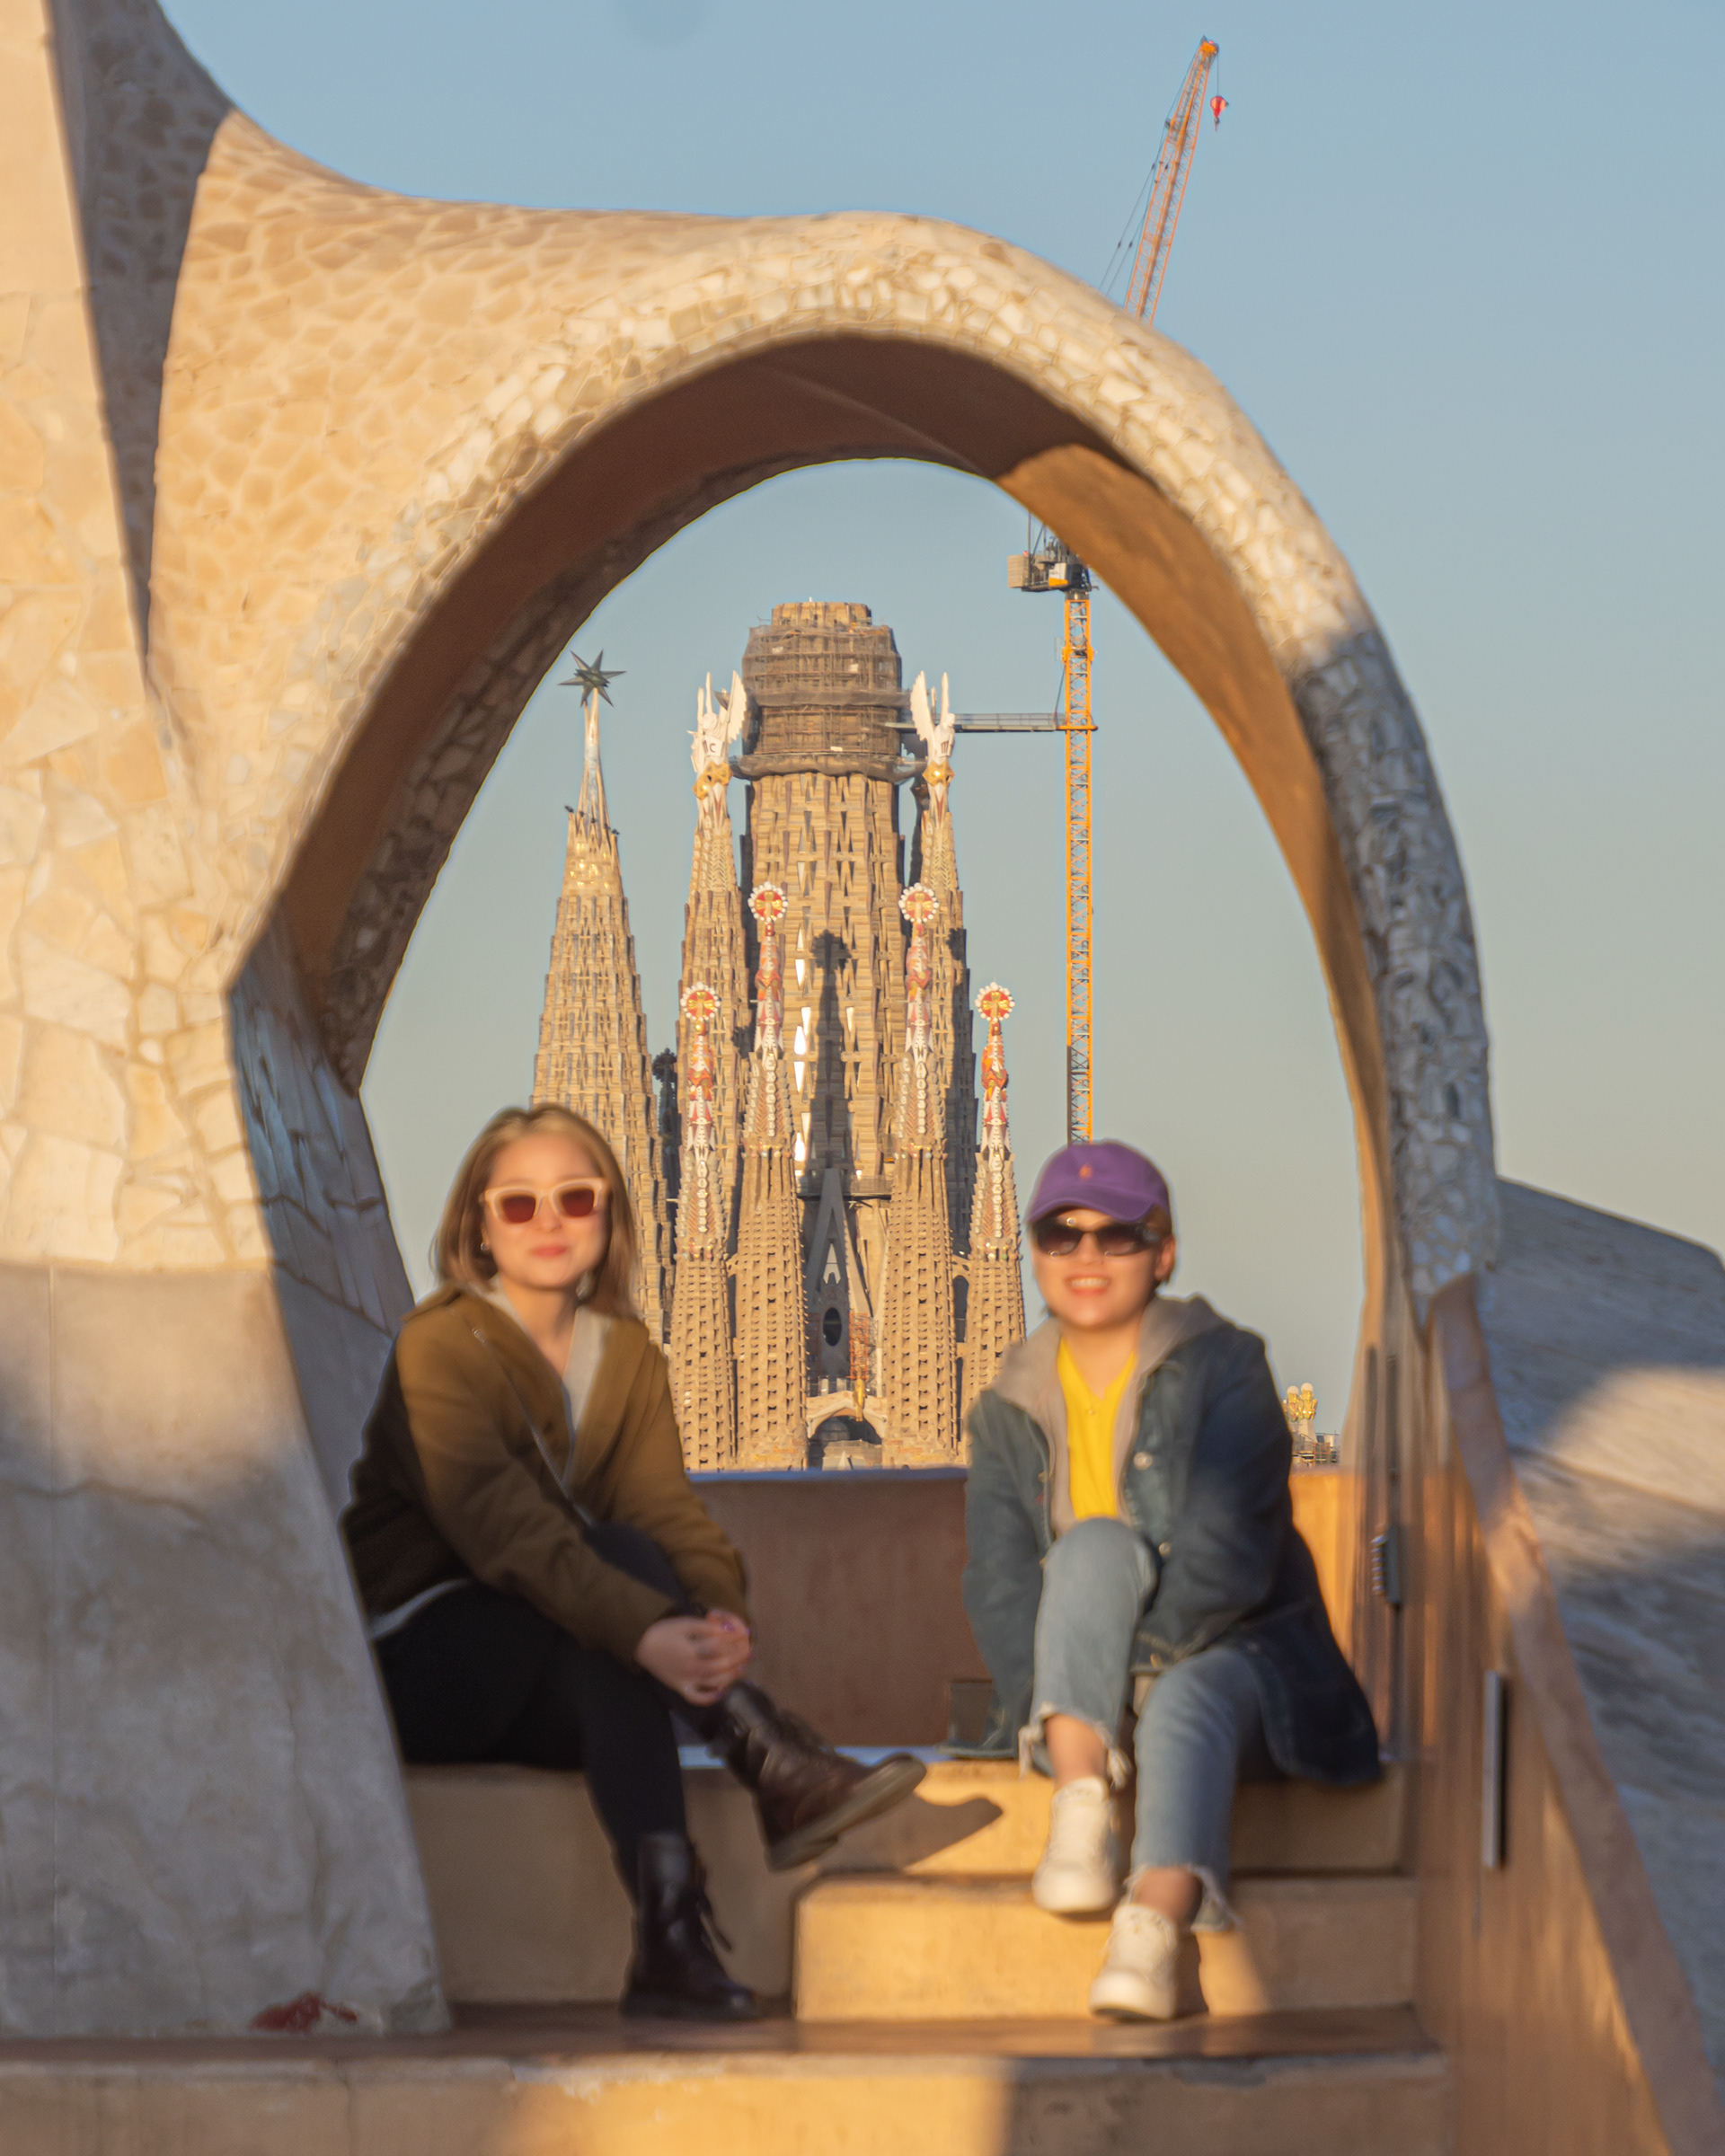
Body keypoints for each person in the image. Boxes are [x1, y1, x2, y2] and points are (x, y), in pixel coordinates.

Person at [342, 1103, 925, 2020]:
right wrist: (653, 1631)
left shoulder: (626, 1359)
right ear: (479, 1226)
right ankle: (762, 1753)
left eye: (575, 1199)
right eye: (519, 1204)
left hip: (552, 1661)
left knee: (616, 1623)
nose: (549, 1221)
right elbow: (502, 1531)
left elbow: (667, 1512)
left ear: (609, 1213)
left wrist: (719, 1616)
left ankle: (670, 1947)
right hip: (426, 1659)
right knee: (614, 1579)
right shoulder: (439, 1348)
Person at [961, 1140, 1378, 2021]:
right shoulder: (1008, 1403)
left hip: (1240, 1656)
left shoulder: (1225, 1369)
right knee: (1090, 1550)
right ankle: (1081, 1805)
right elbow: (999, 1583)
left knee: (1186, 1694)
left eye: (1118, 1235)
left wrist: (1130, 1677)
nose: (1087, 1255)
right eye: (1061, 1234)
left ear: (1164, 1253)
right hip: (1089, 1682)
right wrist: (1071, 1691)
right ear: (1033, 1253)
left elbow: (1229, 1555)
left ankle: (1152, 1921)